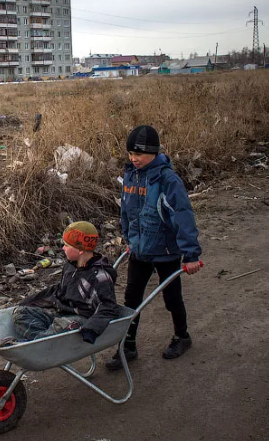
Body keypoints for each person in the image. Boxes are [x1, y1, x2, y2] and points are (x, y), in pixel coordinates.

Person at [106, 125, 203, 370]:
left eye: (138, 154)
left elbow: (183, 216)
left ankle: (182, 336)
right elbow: (126, 210)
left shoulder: (167, 180)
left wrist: (190, 254)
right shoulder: (131, 174)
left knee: (172, 298)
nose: (133, 159)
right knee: (131, 300)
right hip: (139, 249)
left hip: (165, 250)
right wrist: (129, 238)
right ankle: (128, 346)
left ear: (153, 152)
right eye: (130, 154)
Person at [1, 221, 123, 347]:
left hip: (84, 318)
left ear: (80, 249)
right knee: (20, 313)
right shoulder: (70, 266)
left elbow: (109, 307)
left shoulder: (100, 277)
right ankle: (41, 340)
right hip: (62, 312)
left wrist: (91, 329)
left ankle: (31, 345)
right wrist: (30, 301)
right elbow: (59, 290)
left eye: (66, 245)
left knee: (64, 324)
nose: (63, 248)